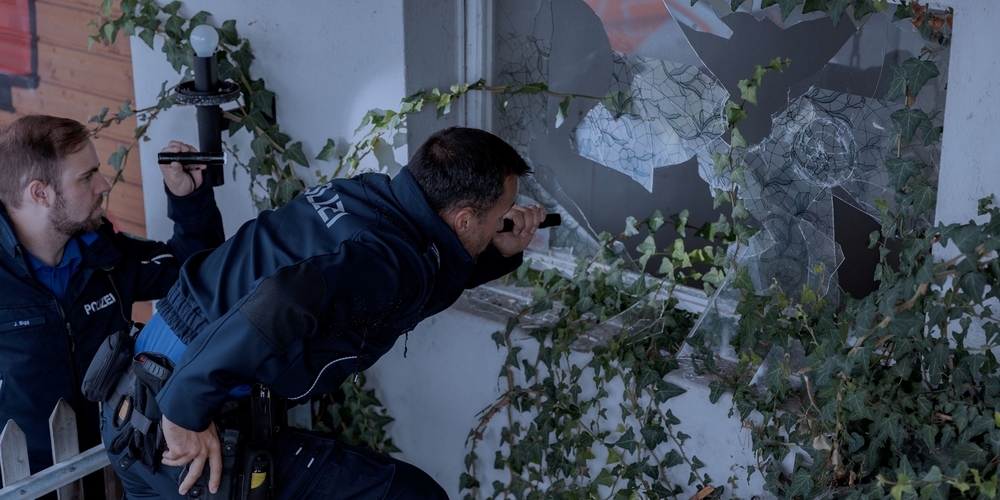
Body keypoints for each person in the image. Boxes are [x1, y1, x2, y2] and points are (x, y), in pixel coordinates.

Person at [98, 126, 546, 499]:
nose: (502, 222)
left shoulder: (367, 196)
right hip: (183, 430)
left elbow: (402, 279)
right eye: (499, 216)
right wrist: (182, 410)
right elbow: (283, 299)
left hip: (127, 408)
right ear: (465, 219)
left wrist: (494, 254)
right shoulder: (389, 259)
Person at [0, 115, 225, 488]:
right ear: (40, 194)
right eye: (87, 177)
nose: (104, 185)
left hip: (121, 470)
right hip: (27, 485)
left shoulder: (104, 256)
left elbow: (195, 273)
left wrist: (187, 198)